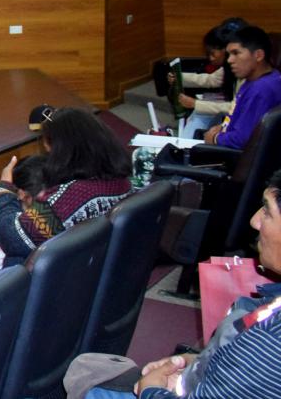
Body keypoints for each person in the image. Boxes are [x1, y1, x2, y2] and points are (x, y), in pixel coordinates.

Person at [67, 167, 281, 398]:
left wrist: (151, 389)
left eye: (267, 212)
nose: (254, 220)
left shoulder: (268, 344)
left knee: (87, 375)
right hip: (201, 378)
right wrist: (203, 360)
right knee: (91, 365)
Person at [0, 108, 132, 266]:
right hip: (103, 266)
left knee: (17, 260)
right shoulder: (122, 181)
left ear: (64, 152)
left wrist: (4, 188)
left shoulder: (74, 196)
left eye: (50, 152)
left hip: (75, 277)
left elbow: (13, 238)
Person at [201, 25, 281, 150]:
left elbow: (242, 139)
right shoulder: (258, 80)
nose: (229, 60)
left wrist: (215, 138)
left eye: (236, 53)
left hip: (234, 161)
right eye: (229, 54)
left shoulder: (262, 89)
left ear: (258, 55)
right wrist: (223, 128)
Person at [170, 18, 244, 138]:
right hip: (233, 116)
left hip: (239, 125)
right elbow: (213, 79)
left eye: (213, 53)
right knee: (199, 115)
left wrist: (196, 104)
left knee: (200, 113)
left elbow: (235, 108)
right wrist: (178, 77)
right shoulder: (230, 67)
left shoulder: (248, 75)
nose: (210, 58)